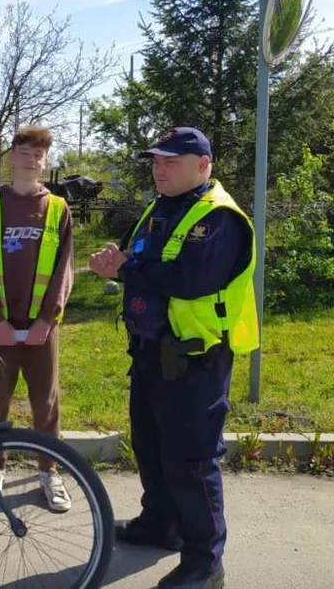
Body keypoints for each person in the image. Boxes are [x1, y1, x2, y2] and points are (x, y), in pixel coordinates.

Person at [89, 127, 258, 589]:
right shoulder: (158, 208)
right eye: (156, 161)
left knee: (191, 461)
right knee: (150, 446)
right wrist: (115, 265)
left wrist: (127, 268)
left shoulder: (217, 217)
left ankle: (205, 562)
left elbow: (189, 279)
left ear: (203, 165)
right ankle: (160, 524)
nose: (159, 170)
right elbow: (143, 265)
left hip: (195, 360)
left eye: (170, 162)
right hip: (151, 353)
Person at [0, 125, 75, 512]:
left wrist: (48, 319)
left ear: (45, 163)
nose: (32, 161)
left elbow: (65, 268)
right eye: (25, 153)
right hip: (0, 330)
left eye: (39, 156)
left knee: (45, 404)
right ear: (11, 157)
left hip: (42, 329)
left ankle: (49, 473)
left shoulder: (59, 208)